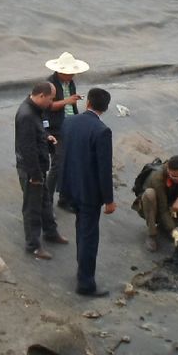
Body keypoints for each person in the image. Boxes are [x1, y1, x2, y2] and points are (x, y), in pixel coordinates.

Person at [59, 87, 116, 297]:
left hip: (71, 187)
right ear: (106, 108)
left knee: (81, 230)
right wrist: (109, 200)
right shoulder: (102, 131)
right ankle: (86, 283)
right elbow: (104, 169)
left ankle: (81, 270)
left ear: (88, 103)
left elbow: (64, 155)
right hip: (90, 194)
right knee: (89, 237)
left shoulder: (69, 122)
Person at [15, 81, 68, 259]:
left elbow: (37, 134)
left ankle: (51, 232)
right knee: (32, 207)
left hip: (39, 167)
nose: (52, 102)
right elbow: (27, 148)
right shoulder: (26, 116)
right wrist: (35, 175)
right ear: (41, 96)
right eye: (51, 99)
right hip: (31, 170)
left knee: (45, 201)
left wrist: (46, 137)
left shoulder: (35, 112)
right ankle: (33, 245)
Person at [44, 51, 89, 212]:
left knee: (70, 164)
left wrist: (72, 103)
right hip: (56, 129)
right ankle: (47, 201)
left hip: (70, 125)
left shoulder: (70, 83)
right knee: (57, 164)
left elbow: (69, 103)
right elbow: (48, 106)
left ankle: (64, 198)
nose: (71, 76)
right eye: (69, 73)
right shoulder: (50, 84)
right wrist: (67, 101)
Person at [133, 155, 178, 251]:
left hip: (170, 203)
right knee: (149, 194)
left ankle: (163, 229)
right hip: (150, 207)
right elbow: (163, 209)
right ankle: (151, 234)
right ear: (168, 170)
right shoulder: (157, 178)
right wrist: (173, 230)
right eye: (174, 176)